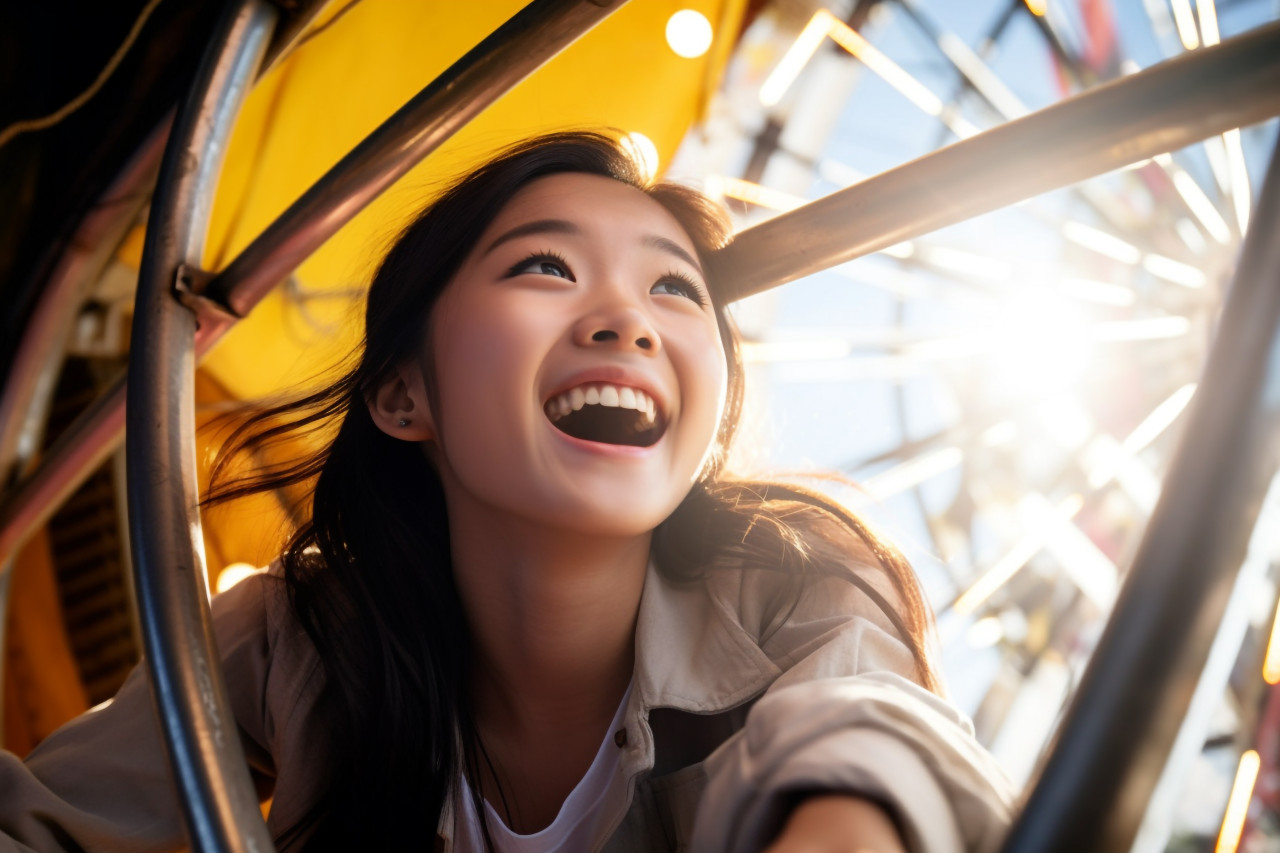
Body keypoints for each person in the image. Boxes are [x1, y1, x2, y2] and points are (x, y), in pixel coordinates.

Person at [0, 132, 1013, 852]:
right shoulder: (294, 634)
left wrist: (845, 818)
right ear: (404, 395)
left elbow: (868, 723)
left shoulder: (794, 587)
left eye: (673, 288)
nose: (628, 320)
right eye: (544, 266)